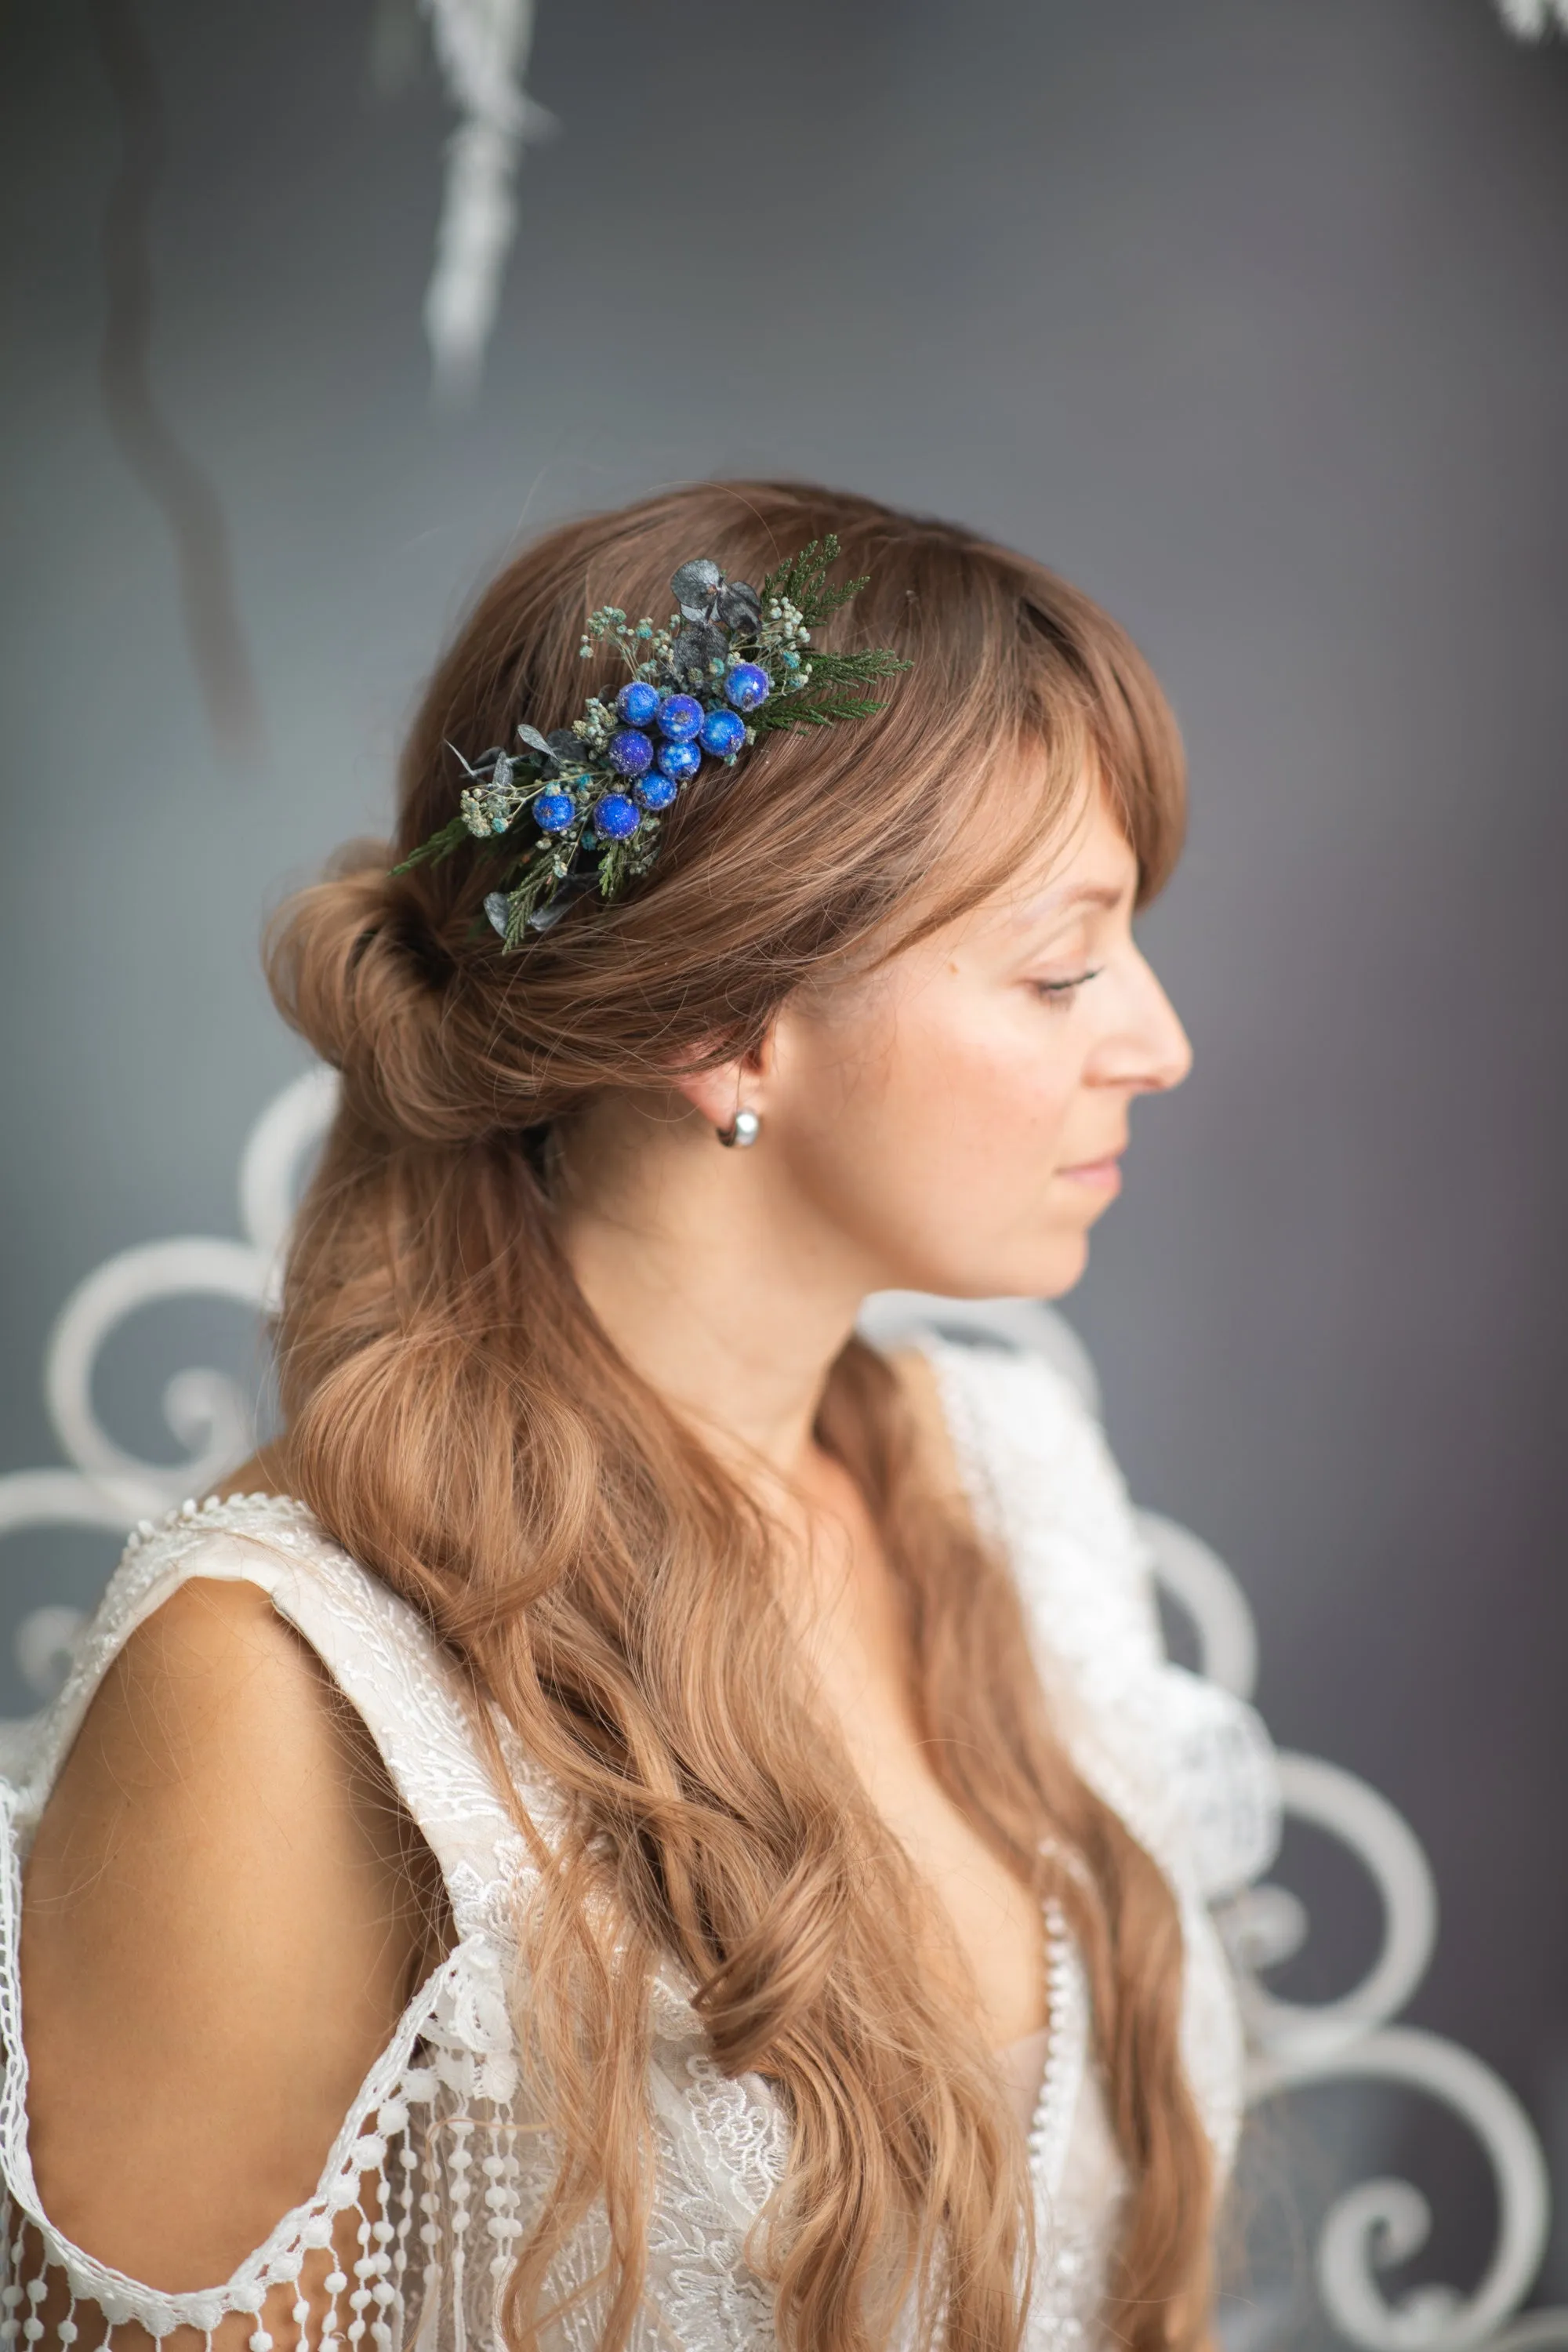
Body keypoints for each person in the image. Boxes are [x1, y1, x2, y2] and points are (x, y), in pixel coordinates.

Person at [5, 482, 1278, 2352]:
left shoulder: (1012, 1486)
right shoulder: (281, 1690)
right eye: (1061, 966)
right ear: (729, 1030)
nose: (1155, 1041)